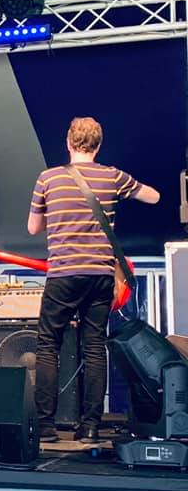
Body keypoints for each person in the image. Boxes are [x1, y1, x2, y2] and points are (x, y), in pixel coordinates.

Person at [28, 117, 159, 443]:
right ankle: (89, 428)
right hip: (100, 275)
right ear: (98, 145)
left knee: (47, 347)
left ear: (68, 143)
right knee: (94, 348)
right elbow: (154, 197)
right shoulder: (113, 176)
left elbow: (33, 228)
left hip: (62, 274)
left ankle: (45, 426)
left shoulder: (48, 178)